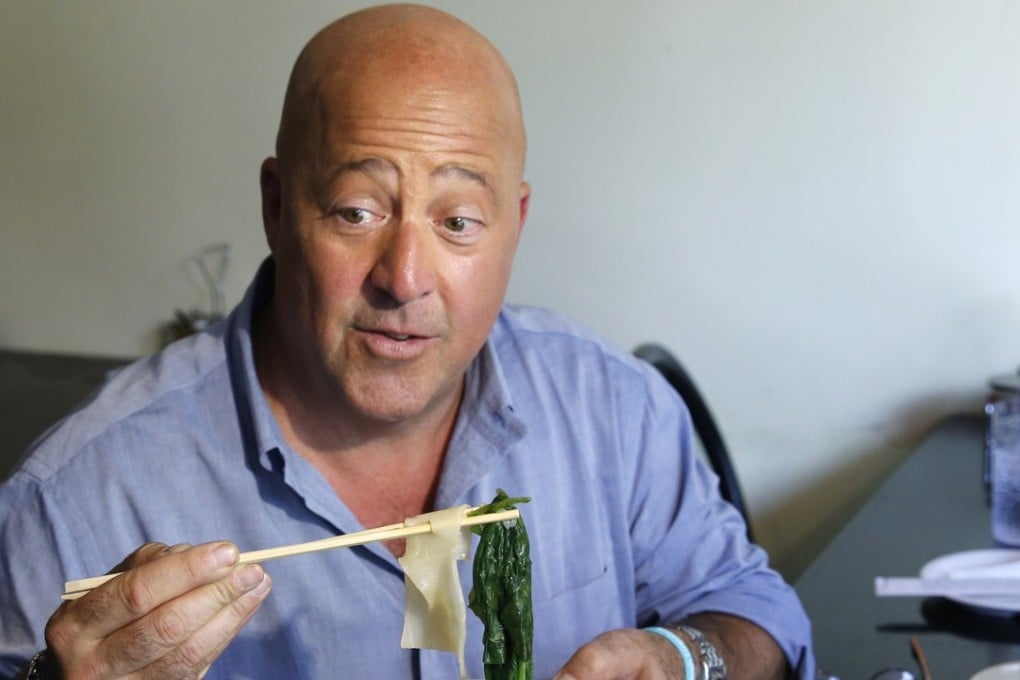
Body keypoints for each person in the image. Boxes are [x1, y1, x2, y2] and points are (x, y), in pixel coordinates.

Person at [0, 4, 815, 679]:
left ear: (515, 227)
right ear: (278, 208)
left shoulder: (612, 406)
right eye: (357, 211)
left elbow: (758, 615)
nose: (405, 277)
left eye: (458, 222)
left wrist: (685, 656)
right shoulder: (76, 500)